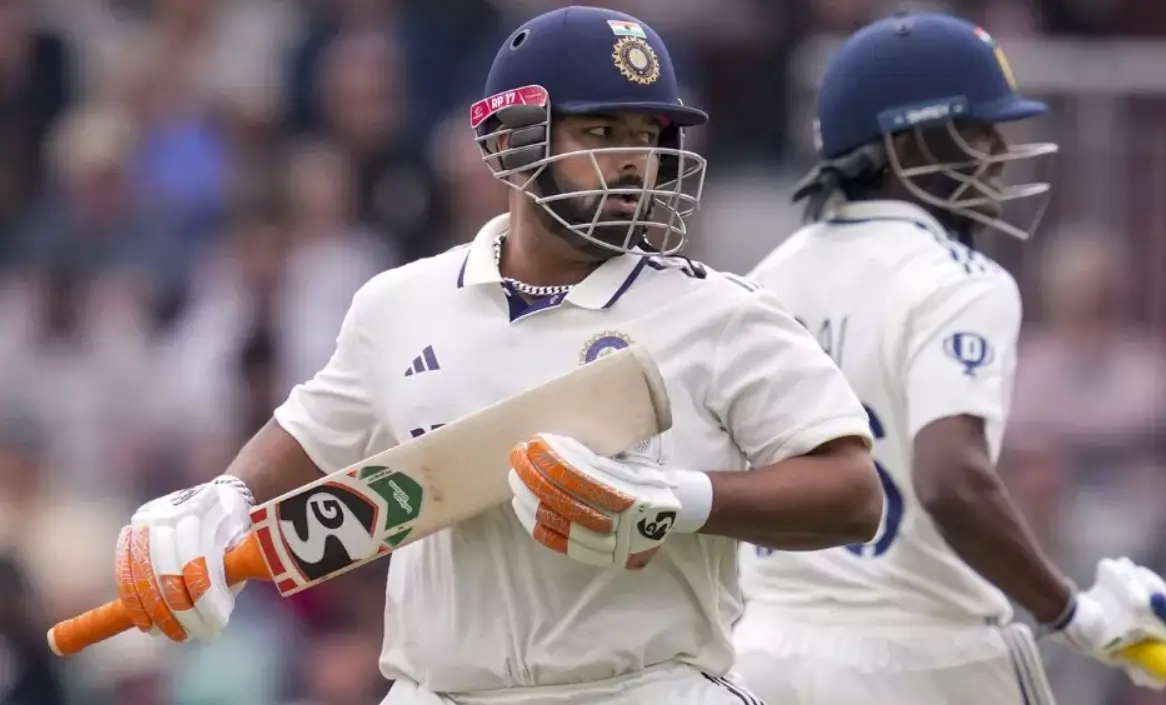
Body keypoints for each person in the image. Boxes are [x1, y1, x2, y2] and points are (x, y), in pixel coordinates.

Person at [108, 7, 884, 704]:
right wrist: (221, 499)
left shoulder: (721, 313)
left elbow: (853, 493)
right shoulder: (400, 303)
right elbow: (311, 433)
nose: (632, 163)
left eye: (648, 137)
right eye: (601, 133)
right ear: (513, 147)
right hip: (440, 690)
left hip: (645, 687)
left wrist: (681, 499)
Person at [733, 11, 1166, 705]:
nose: (998, 149)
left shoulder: (765, 275)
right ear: (901, 144)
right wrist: (1073, 612)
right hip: (916, 656)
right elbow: (950, 479)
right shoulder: (957, 278)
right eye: (975, 129)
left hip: (761, 647)